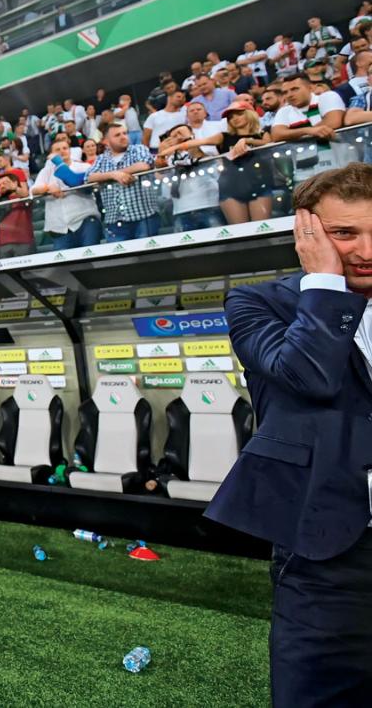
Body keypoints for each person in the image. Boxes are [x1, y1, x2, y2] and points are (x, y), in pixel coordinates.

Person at [207, 164, 372, 707]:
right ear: (307, 231)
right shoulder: (257, 303)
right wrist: (325, 282)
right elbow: (308, 376)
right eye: (344, 233)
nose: (366, 250)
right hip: (328, 548)